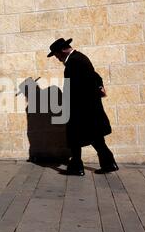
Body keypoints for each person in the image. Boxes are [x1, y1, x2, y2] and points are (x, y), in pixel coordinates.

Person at [47, 38, 119, 175]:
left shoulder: (74, 62)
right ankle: (108, 163)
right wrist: (99, 86)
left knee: (75, 137)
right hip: (88, 107)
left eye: (56, 55)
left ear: (63, 50)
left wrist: (69, 107)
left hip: (81, 108)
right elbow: (95, 76)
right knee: (94, 137)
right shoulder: (79, 58)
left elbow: (74, 88)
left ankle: (77, 167)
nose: (57, 58)